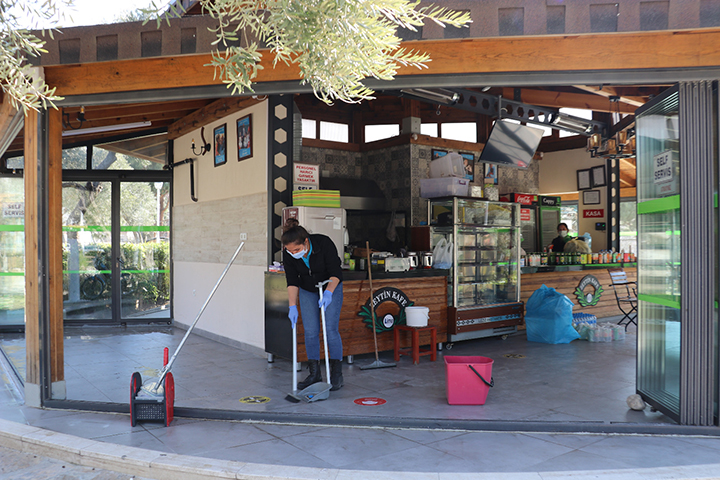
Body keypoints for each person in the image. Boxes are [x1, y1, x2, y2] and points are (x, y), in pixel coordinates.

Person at [282, 218, 344, 391]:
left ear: (306, 242)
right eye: (290, 250)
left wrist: (329, 292)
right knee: (310, 331)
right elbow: (292, 281)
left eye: (297, 249)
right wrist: (292, 306)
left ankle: (336, 373)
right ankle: (315, 374)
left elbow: (336, 271)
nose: (293, 253)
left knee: (330, 329)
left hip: (330, 286)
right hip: (308, 289)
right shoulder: (289, 254)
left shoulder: (323, 243)